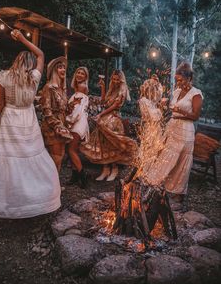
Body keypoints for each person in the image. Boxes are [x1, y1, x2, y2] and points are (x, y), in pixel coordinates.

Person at [0, 29, 61, 218]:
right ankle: (33, 199)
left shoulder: (4, 77)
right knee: (29, 159)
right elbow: (41, 54)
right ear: (31, 64)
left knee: (7, 160)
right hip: (28, 120)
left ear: (16, 61)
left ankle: (8, 203)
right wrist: (22, 38)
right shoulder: (34, 77)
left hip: (9, 121)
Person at [144, 61, 203, 210]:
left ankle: (178, 195)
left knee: (181, 162)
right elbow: (172, 109)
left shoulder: (196, 94)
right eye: (177, 80)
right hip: (173, 126)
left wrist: (180, 111)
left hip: (186, 131)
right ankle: (158, 186)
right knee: (165, 157)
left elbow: (195, 116)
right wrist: (165, 106)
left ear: (189, 78)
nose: (178, 82)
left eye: (181, 80)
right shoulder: (177, 91)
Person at [80, 69, 138, 181]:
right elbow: (103, 103)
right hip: (105, 118)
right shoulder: (111, 90)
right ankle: (105, 169)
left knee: (113, 144)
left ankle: (114, 169)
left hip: (114, 119)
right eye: (114, 79)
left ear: (121, 80)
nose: (115, 81)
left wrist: (100, 114)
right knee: (103, 144)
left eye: (118, 80)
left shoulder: (122, 90)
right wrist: (102, 88)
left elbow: (114, 106)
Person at [41, 56, 73, 173]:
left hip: (62, 124)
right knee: (55, 157)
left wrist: (71, 105)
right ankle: (51, 187)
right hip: (52, 127)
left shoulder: (62, 89)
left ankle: (55, 185)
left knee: (60, 156)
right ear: (54, 70)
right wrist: (57, 125)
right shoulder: (48, 87)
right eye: (60, 67)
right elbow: (46, 110)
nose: (63, 70)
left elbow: (63, 109)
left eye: (64, 67)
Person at [66, 67, 89, 188]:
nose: (79, 74)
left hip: (78, 122)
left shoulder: (82, 87)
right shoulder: (78, 88)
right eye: (78, 72)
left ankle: (83, 175)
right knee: (73, 150)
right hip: (78, 121)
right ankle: (74, 176)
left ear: (85, 77)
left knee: (71, 150)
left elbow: (77, 110)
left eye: (82, 74)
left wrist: (68, 121)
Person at [137, 77, 164, 175]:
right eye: (155, 90)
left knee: (155, 152)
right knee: (148, 150)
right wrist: (160, 108)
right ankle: (144, 172)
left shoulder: (152, 102)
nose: (157, 93)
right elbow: (154, 117)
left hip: (156, 130)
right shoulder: (144, 101)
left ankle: (151, 172)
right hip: (150, 129)